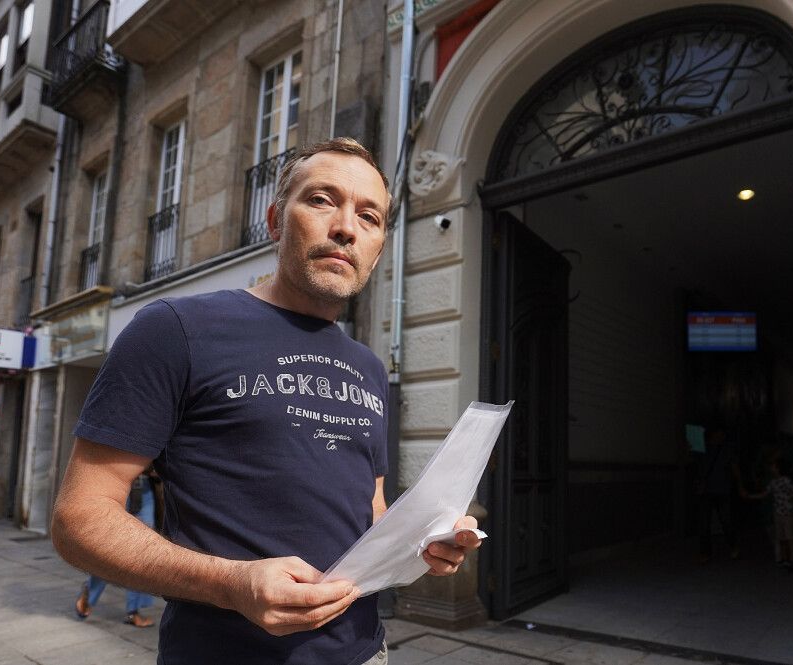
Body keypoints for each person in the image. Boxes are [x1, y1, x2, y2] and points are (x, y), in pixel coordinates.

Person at [51, 138, 480, 665]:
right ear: (276, 221)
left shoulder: (368, 367)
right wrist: (231, 583)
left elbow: (368, 508)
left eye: (369, 216)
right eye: (322, 200)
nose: (346, 226)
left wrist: (419, 544)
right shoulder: (176, 330)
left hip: (365, 652)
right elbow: (79, 519)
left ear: (377, 247)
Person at [74, 468, 158, 627]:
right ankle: (90, 592)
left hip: (143, 487)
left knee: (143, 551)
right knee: (111, 551)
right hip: (119, 485)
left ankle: (132, 611)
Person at [743, 457, 793, 569]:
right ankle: (786, 558)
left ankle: (791, 559)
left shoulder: (785, 480)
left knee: (789, 536)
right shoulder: (773, 482)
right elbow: (765, 494)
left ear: (778, 468)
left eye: (773, 466)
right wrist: (750, 496)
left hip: (787, 512)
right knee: (782, 536)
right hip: (780, 512)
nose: (771, 468)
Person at [695, 427, 741, 562]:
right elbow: (734, 468)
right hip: (714, 489)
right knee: (706, 523)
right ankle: (708, 551)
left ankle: (713, 551)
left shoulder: (721, 449)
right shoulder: (705, 449)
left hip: (719, 490)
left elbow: (734, 468)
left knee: (724, 521)